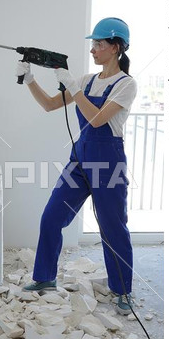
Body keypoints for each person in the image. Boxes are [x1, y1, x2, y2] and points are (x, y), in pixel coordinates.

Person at [16, 17, 137, 315]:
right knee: (51, 218)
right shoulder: (86, 80)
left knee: (112, 228)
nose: (93, 49)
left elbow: (97, 119)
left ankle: (122, 290)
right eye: (93, 44)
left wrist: (74, 87)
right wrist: (30, 80)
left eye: (98, 44)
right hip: (80, 160)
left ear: (116, 47)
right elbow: (49, 105)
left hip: (109, 164)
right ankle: (44, 278)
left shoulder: (126, 85)